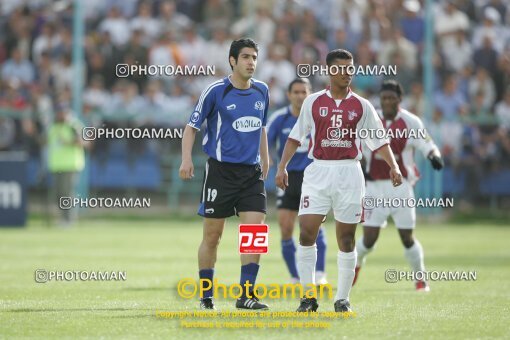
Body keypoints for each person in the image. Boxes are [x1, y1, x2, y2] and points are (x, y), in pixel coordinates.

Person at [275, 49, 403, 313]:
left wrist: (393, 166)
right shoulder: (312, 102)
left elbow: (379, 140)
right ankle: (308, 297)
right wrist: (282, 167)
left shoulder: (362, 105)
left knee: (346, 238)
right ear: (330, 71)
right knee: (306, 232)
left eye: (350, 68)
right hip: (318, 171)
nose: (347, 73)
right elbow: (295, 137)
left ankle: (342, 298)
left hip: (349, 173)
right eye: (341, 68)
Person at [179, 38, 270, 311]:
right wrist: (186, 159)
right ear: (232, 60)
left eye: (254, 57)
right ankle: (207, 296)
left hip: (251, 174)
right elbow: (191, 126)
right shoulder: (215, 91)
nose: (251, 62)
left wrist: (267, 161)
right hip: (220, 172)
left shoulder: (263, 91)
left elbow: (261, 128)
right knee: (212, 237)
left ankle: (246, 296)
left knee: (254, 233)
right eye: (245, 57)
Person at [354, 80, 444, 291]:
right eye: (384, 98)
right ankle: (354, 268)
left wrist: (434, 156)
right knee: (368, 239)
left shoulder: (411, 122)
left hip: (401, 188)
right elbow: (354, 142)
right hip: (373, 187)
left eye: (391, 98)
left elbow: (427, 144)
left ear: (399, 100)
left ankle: (420, 279)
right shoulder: (369, 118)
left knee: (407, 237)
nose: (387, 102)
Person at [267, 78, 328, 285]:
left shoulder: (319, 116)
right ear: (289, 95)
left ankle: (319, 274)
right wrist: (269, 161)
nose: (300, 96)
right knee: (285, 226)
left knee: (312, 226)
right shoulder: (279, 118)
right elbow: (264, 142)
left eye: (304, 92)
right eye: (296, 92)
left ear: (310, 94)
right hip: (288, 177)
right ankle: (295, 275)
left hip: (313, 176)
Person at [46, 104, 86, 226]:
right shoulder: (53, 126)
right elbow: (46, 141)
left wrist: (68, 142)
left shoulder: (73, 126)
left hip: (70, 164)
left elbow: (84, 141)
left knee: (67, 193)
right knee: (59, 193)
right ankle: (63, 218)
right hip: (57, 165)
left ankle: (69, 220)